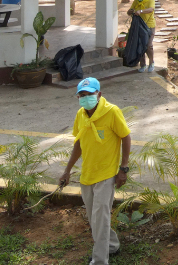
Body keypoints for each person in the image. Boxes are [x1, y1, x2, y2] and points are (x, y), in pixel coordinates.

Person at [58, 78, 131, 265]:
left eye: (89, 94)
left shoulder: (112, 112)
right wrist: (67, 171)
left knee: (100, 219)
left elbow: (125, 136)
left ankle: (99, 260)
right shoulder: (80, 115)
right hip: (87, 174)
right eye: (82, 95)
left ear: (99, 94)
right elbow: (78, 144)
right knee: (95, 219)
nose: (85, 98)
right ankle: (112, 245)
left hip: (106, 175)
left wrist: (123, 168)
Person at [127, 0, 157, 72]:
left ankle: (151, 63)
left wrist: (141, 11)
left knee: (148, 45)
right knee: (139, 45)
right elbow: (128, 12)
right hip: (139, 27)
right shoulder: (136, 2)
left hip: (149, 26)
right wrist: (131, 11)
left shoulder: (150, 0)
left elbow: (151, 9)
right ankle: (143, 65)